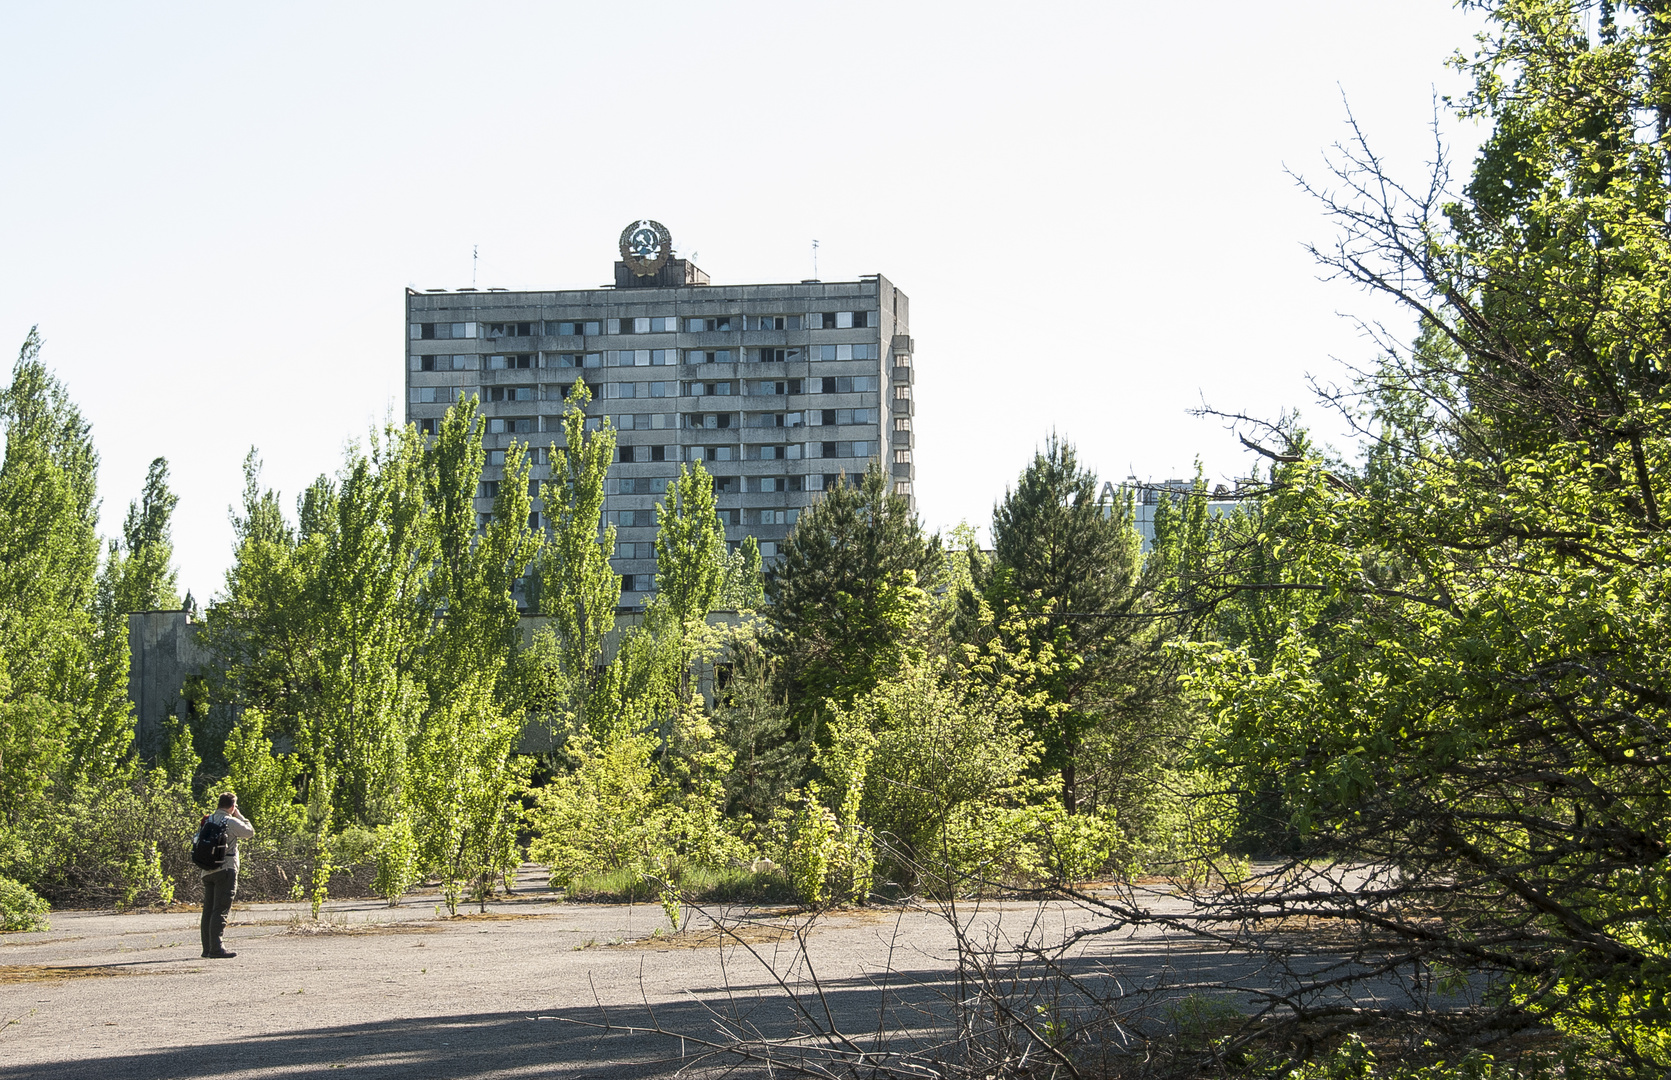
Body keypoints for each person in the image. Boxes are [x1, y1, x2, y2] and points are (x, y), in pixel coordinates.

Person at [200, 792, 255, 959]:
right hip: (225, 869)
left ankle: (207, 948)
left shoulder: (206, 820)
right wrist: (239, 815)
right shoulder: (230, 821)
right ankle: (217, 948)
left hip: (207, 869)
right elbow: (249, 832)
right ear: (232, 806)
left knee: (208, 910)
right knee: (221, 908)